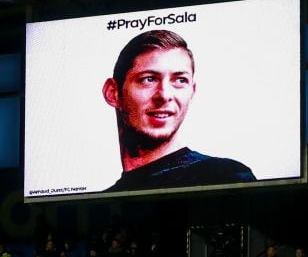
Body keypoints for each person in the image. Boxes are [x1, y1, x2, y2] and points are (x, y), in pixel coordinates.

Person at [100, 29, 256, 194]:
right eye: (149, 79)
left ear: (192, 91)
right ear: (113, 93)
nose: (165, 95)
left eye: (180, 80)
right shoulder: (101, 203)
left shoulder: (225, 177)